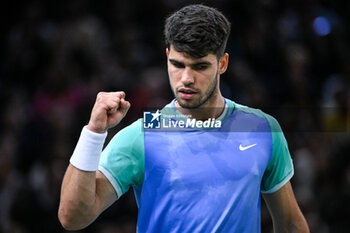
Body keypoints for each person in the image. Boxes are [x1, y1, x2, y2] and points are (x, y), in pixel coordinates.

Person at [58, 4, 309, 233]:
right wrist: (93, 132)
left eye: (200, 66)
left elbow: (290, 224)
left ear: (222, 63)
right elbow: (72, 217)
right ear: (167, 56)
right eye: (178, 64)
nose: (186, 78)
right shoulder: (143, 134)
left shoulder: (261, 129)